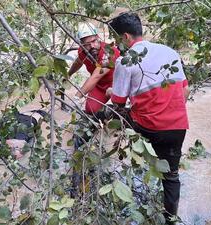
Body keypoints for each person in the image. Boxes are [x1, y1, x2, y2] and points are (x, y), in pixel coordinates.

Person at [108, 13, 190, 224]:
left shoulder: (125, 61)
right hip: (177, 126)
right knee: (172, 176)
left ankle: (129, 160)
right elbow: (185, 90)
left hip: (148, 127)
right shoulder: (169, 51)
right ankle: (170, 218)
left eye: (116, 39)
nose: (116, 44)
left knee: (110, 113)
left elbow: (118, 101)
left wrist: (109, 91)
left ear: (125, 37)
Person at [68, 23, 120, 115]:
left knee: (119, 105)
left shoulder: (109, 52)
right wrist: (68, 74)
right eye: (87, 44)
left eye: (94, 41)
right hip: (99, 85)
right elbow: (78, 62)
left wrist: (77, 97)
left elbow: (96, 76)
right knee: (91, 110)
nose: (92, 46)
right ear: (82, 44)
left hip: (116, 83)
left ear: (98, 37)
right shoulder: (83, 51)